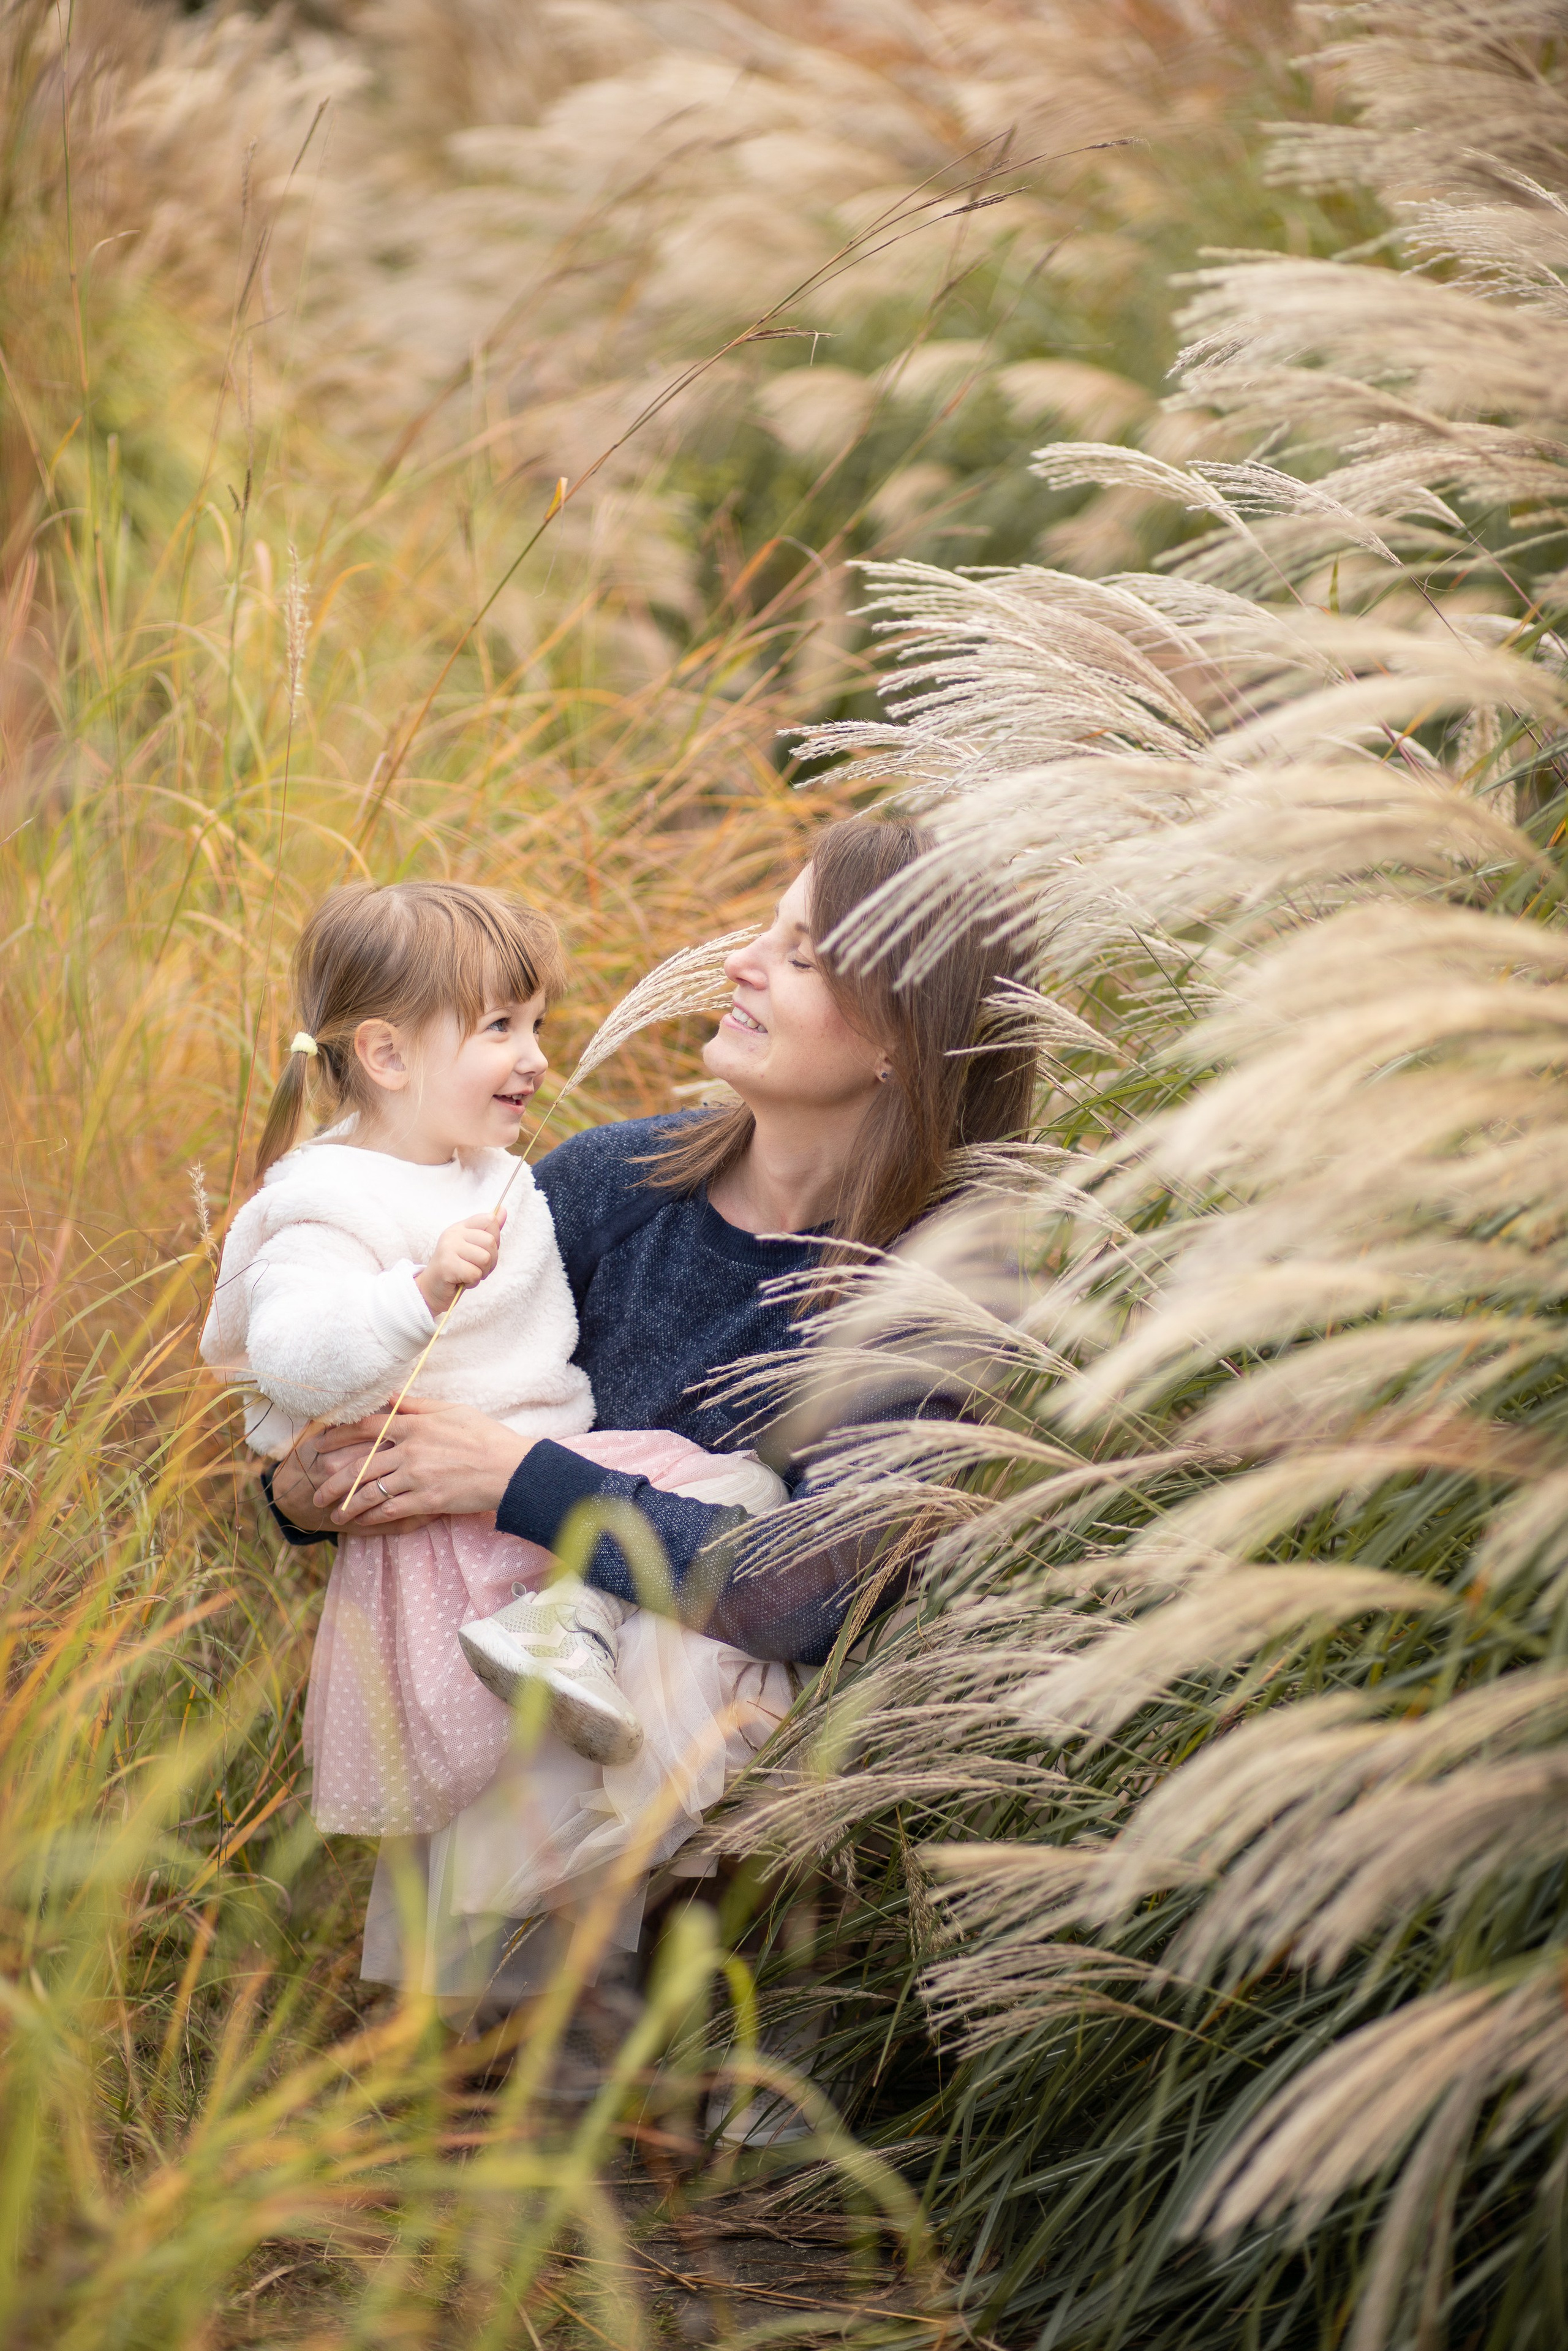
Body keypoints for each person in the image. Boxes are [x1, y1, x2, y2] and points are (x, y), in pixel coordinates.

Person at [267, 818, 1035, 2007]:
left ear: (901, 1038)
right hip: (489, 1703)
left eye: (800, 953)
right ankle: (480, 2029)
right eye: (762, 931)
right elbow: (409, 1388)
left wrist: (515, 1477)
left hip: (746, 1846)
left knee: (703, 1620)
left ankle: (594, 2035)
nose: (739, 962)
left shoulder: (939, 1289)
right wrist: (306, 1488)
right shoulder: (604, 1185)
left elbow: (811, 1592)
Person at [203, 880, 792, 1876]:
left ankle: (569, 1632)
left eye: (537, 1025)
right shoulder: (333, 1197)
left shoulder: (489, 1172)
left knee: (739, 1488)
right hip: (450, 1525)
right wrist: (413, 1296)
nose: (536, 1057)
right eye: (500, 1028)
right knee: (488, 1839)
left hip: (529, 1490)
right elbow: (292, 1351)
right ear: (388, 1055)